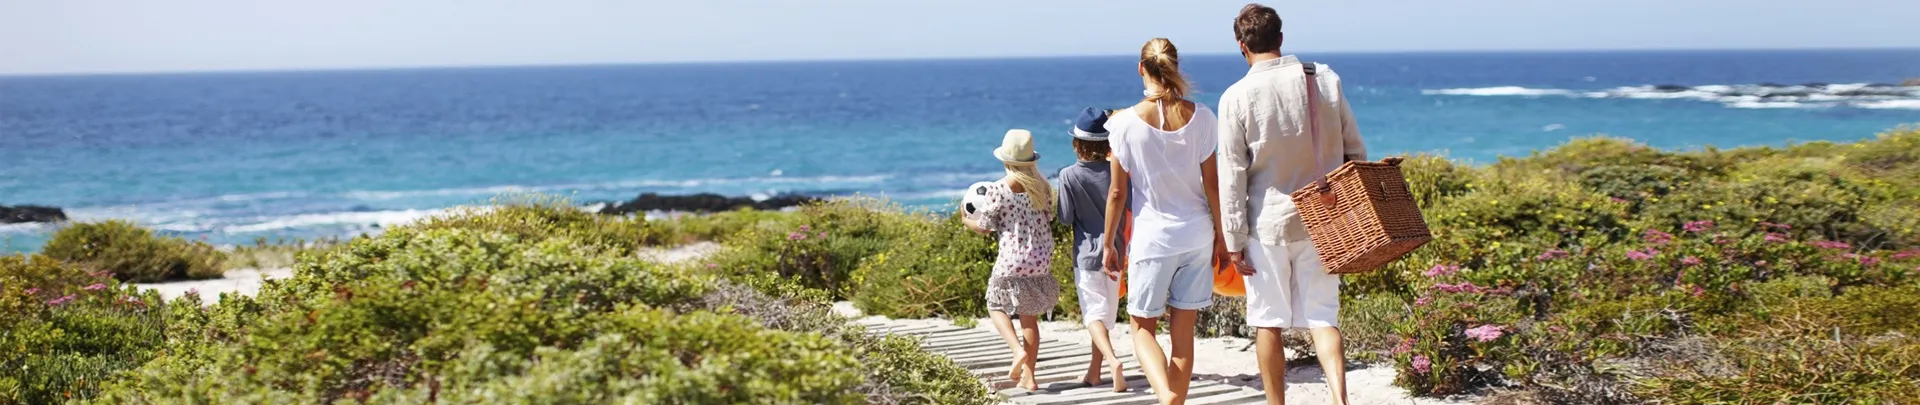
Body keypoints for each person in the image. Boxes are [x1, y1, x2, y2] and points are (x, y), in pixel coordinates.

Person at [1215, 4, 1368, 405]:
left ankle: (1275, 403)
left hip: (1268, 225)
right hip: (1325, 221)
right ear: (1280, 39)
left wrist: (1233, 239)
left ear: (1241, 45)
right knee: (1323, 316)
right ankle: (1339, 400)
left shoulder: (1236, 96)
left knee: (1268, 321)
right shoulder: (1325, 80)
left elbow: (1232, 175)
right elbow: (1355, 150)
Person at [1099, 38, 1228, 405]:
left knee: (1141, 328)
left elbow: (1117, 195)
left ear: (1141, 68)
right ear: (1173, 65)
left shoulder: (1122, 124)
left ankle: (1165, 394)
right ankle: (1174, 398)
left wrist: (1109, 244)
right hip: (1198, 235)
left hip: (1153, 240)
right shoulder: (1202, 116)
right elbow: (1213, 185)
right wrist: (1221, 235)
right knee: (1183, 335)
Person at [963, 129, 1060, 392]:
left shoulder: (997, 189)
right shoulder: (1043, 187)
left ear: (1006, 160)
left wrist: (965, 219)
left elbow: (985, 226)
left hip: (1012, 258)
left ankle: (1017, 350)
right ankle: (1029, 377)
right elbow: (1048, 218)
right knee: (1029, 318)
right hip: (1040, 258)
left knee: (995, 305)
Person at [1056, 107, 1127, 392]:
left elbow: (1065, 217)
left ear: (1077, 144)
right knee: (1105, 316)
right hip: (1117, 252)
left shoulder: (1068, 175)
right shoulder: (1119, 171)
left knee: (1093, 315)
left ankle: (1111, 361)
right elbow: (1127, 205)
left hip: (1086, 254)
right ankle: (1094, 372)